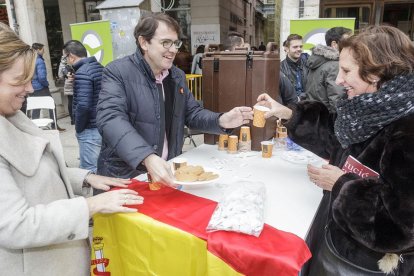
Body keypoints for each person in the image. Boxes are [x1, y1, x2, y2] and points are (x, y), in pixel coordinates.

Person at [257, 25, 414, 275]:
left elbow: (400, 227)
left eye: (346, 70)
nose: (339, 80)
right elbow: (337, 138)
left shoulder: (406, 130)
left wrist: (341, 184)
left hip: (365, 265)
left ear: (375, 73)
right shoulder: (367, 109)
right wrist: (288, 113)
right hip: (335, 240)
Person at [0, 22, 144, 275]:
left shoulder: (11, 114)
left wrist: (87, 178)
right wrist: (91, 206)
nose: (31, 89)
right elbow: (14, 225)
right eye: (19, 81)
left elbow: (35, 173)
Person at [96, 13, 253, 188]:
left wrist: (222, 120)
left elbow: (192, 114)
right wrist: (146, 157)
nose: (173, 50)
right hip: (126, 177)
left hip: (167, 174)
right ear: (144, 42)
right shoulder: (117, 72)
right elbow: (110, 118)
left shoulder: (176, 76)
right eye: (165, 43)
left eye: (175, 43)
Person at [63, 40, 103, 173]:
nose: (66, 61)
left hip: (89, 128)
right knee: (102, 167)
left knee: (90, 170)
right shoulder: (99, 67)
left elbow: (83, 105)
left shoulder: (82, 73)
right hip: (102, 124)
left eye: (65, 58)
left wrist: (79, 127)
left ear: (71, 56)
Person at [304, 27, 352, 112]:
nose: (351, 45)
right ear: (334, 44)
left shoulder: (318, 61)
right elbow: (337, 100)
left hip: (315, 116)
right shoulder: (335, 65)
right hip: (328, 119)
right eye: (347, 42)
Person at [30, 43, 65, 131]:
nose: (44, 51)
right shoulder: (40, 61)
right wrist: (46, 84)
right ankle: (54, 126)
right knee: (51, 106)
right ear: (38, 50)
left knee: (36, 108)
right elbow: (42, 77)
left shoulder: (30, 60)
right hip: (41, 87)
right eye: (43, 50)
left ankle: (34, 128)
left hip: (33, 87)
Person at [57, 51, 74, 125]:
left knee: (71, 102)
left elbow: (60, 75)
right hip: (71, 84)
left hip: (68, 84)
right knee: (72, 102)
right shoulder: (66, 64)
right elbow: (61, 75)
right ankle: (73, 119)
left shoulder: (63, 64)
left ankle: (73, 119)